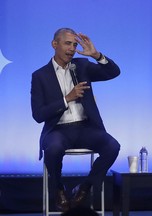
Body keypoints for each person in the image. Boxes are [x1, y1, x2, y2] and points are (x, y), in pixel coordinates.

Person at [31, 28, 121, 211]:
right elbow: (38, 115)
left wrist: (97, 55)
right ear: (54, 44)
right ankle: (59, 189)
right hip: (57, 129)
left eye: (74, 44)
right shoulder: (40, 76)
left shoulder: (82, 66)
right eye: (67, 43)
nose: (72, 48)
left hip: (86, 127)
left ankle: (85, 186)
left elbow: (113, 72)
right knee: (53, 148)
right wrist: (67, 98)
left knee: (113, 146)